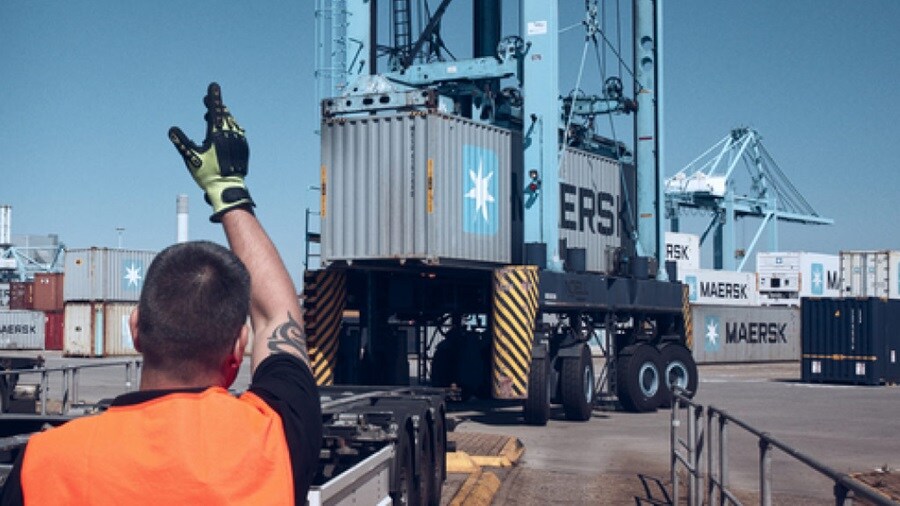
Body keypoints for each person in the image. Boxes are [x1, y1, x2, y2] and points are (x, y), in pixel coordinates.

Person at [0, 83, 322, 505]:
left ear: (135, 327)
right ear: (239, 346)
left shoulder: (43, 465)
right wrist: (229, 189)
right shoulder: (272, 440)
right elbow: (278, 314)